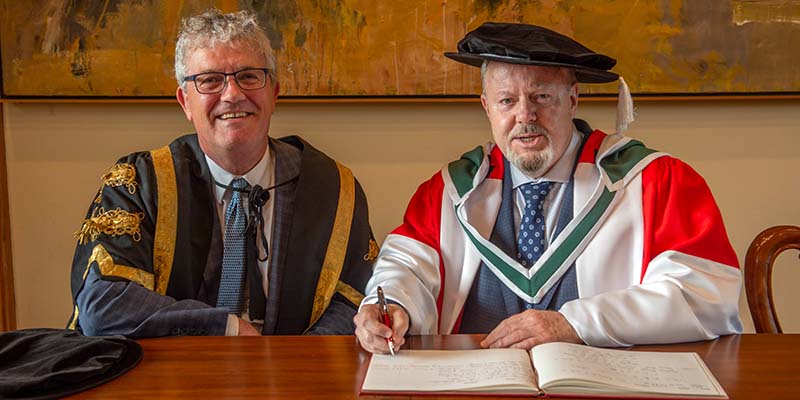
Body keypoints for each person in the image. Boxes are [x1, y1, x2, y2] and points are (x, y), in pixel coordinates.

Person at [354, 22, 742, 352]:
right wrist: (389, 308)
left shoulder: (655, 183)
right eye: (507, 100)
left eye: (542, 96)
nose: (526, 116)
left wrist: (576, 323)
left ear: (573, 99)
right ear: (487, 107)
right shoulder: (448, 192)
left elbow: (705, 294)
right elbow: (406, 267)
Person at [68, 9, 377, 338]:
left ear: (274, 92)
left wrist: (291, 368)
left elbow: (355, 300)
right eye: (210, 80)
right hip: (167, 381)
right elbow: (103, 304)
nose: (232, 94)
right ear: (185, 101)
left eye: (249, 76)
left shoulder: (330, 186)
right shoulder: (138, 184)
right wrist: (226, 328)